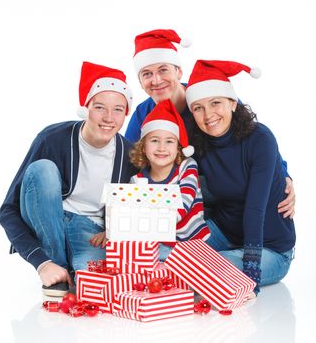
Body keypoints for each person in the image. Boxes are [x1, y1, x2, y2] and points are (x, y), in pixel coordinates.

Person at [125, 28, 296, 219]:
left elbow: (255, 135)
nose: (156, 80)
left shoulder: (208, 93)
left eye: (163, 70)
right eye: (147, 74)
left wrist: (283, 175)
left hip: (228, 189)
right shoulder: (141, 115)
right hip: (177, 196)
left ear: (179, 71)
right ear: (140, 82)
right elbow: (129, 163)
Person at [0, 62, 137, 296]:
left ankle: (71, 271)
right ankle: (56, 264)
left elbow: (132, 206)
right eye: (100, 107)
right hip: (48, 216)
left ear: (126, 114)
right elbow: (7, 210)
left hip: (90, 230)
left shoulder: (129, 154)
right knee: (42, 169)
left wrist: (114, 229)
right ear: (86, 108)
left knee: (98, 286)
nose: (108, 118)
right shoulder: (52, 138)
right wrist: (41, 262)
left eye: (118, 110)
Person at [185, 60, 296, 295]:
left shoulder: (260, 139)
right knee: (174, 259)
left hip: (269, 247)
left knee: (200, 271)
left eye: (216, 103)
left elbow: (256, 208)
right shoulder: (199, 142)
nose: (208, 115)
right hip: (224, 231)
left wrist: (251, 267)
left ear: (233, 103)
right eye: (198, 107)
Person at [129, 98, 210, 259]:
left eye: (169, 141)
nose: (161, 147)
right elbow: (131, 215)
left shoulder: (186, 168)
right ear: (144, 148)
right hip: (157, 245)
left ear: (178, 147)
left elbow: (183, 202)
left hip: (193, 244)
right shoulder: (137, 180)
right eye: (154, 141)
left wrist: (147, 222)